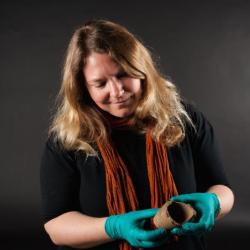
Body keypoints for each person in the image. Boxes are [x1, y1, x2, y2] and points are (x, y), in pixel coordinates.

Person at [40, 19, 234, 250]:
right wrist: (114, 227)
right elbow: (56, 227)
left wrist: (213, 203)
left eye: (123, 74)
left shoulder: (184, 119)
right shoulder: (68, 139)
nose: (117, 91)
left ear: (141, 70)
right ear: (83, 88)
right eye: (100, 83)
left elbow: (222, 189)